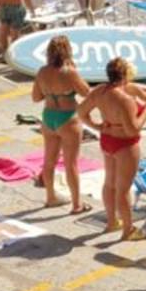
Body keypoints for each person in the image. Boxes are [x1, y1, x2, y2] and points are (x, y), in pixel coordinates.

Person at [76, 58, 146, 241]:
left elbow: (81, 111)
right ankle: (128, 230)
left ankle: (112, 221)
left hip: (107, 140)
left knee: (109, 183)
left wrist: (97, 126)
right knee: (123, 189)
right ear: (126, 76)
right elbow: (133, 129)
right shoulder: (125, 99)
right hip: (125, 144)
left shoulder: (100, 91)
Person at [30, 36, 89, 212]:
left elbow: (35, 97)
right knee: (71, 164)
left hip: (48, 117)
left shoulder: (42, 71)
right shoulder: (69, 71)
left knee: (49, 161)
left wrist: (51, 92)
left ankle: (50, 197)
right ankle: (77, 204)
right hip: (68, 117)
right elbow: (86, 92)